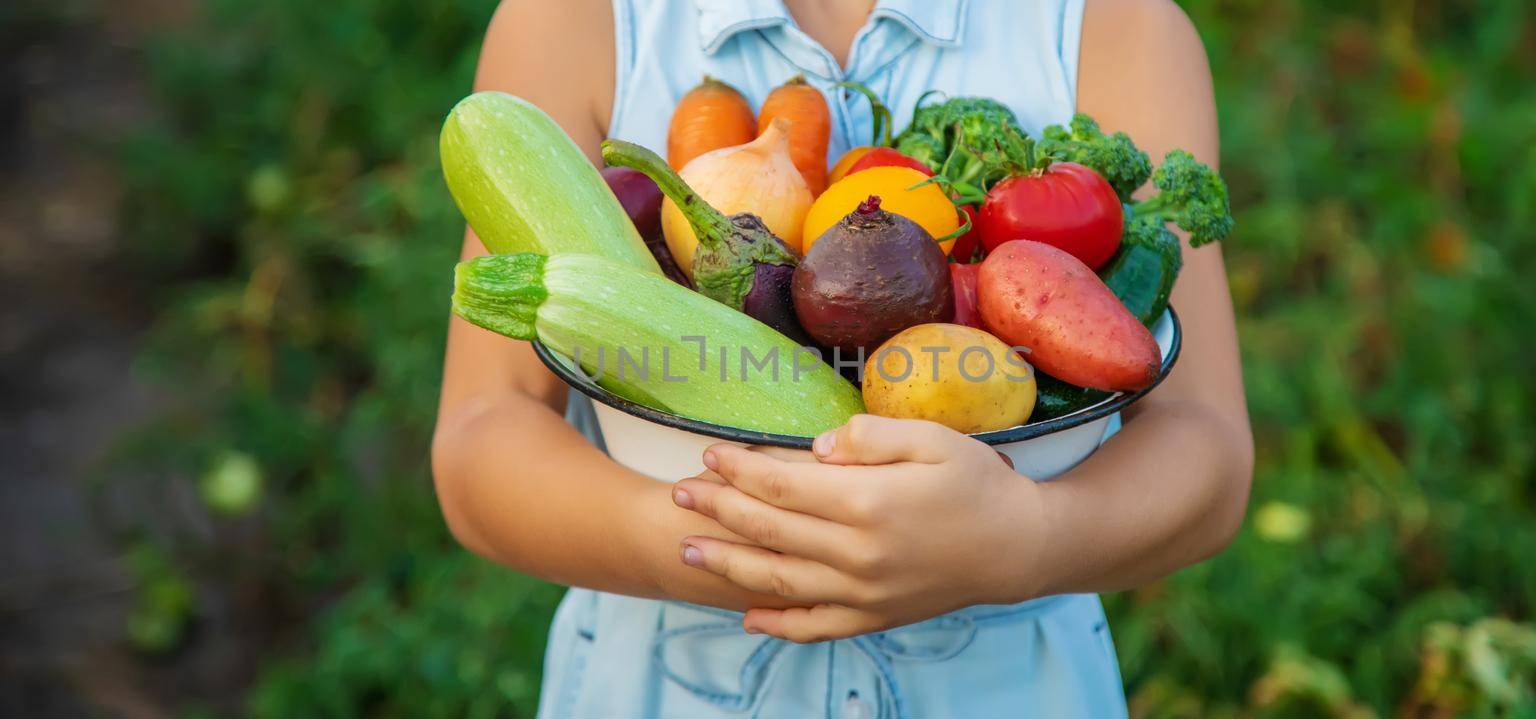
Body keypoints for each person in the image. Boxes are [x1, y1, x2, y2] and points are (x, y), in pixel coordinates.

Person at [431, 0, 1253, 715]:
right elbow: (482, 436)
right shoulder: (577, 22)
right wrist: (704, 541)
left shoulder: (1119, 30)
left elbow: (1205, 452)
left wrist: (1027, 541)